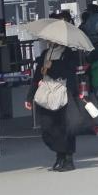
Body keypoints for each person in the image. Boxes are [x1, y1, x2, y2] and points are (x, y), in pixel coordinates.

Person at [24, 28, 83, 172]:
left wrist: (52, 67)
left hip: (64, 93)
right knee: (47, 127)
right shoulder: (45, 53)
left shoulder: (69, 54)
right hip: (46, 93)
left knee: (66, 127)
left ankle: (67, 158)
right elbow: (37, 76)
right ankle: (60, 154)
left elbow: (68, 72)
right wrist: (30, 96)